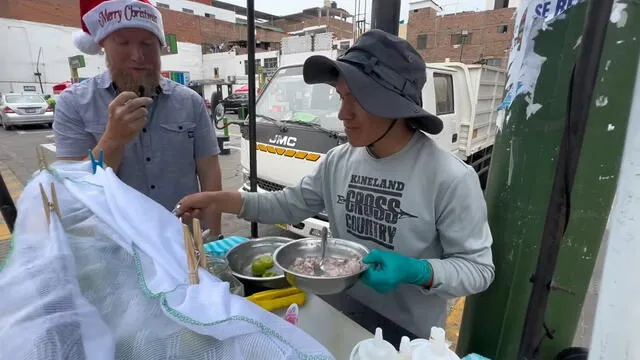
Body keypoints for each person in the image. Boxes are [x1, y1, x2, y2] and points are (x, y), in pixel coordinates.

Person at [176, 29, 494, 337]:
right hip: (341, 312)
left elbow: (479, 270)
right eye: (341, 97)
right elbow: (287, 204)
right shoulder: (337, 161)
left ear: (395, 106)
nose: (343, 113)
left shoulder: (450, 178)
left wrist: (420, 272)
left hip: (406, 337)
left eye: (357, 99)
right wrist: (219, 200)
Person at [53, 0, 223, 236]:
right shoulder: (74, 103)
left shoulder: (189, 101)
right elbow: (73, 191)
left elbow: (209, 171)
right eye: (123, 43)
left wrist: (213, 235)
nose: (137, 55)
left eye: (147, 43)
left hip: (182, 239)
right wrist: (113, 139)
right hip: (115, 247)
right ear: (103, 45)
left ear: (161, 46)